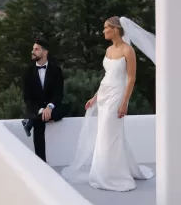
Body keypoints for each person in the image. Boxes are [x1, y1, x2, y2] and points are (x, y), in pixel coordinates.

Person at [61, 16, 155, 192]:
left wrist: (124, 102)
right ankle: (111, 169)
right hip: (104, 94)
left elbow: (131, 78)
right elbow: (106, 77)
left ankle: (109, 175)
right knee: (106, 133)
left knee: (108, 132)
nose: (103, 31)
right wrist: (95, 97)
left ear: (116, 29)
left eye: (106, 28)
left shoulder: (128, 51)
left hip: (117, 96)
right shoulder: (108, 50)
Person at [22, 37, 66, 162]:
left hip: (52, 107)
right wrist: (41, 110)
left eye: (36, 49)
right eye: (33, 49)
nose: (33, 51)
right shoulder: (28, 71)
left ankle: (30, 122)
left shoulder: (56, 70)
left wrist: (50, 107)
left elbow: (58, 93)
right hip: (36, 108)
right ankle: (41, 162)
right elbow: (27, 97)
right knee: (39, 123)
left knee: (66, 108)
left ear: (45, 52)